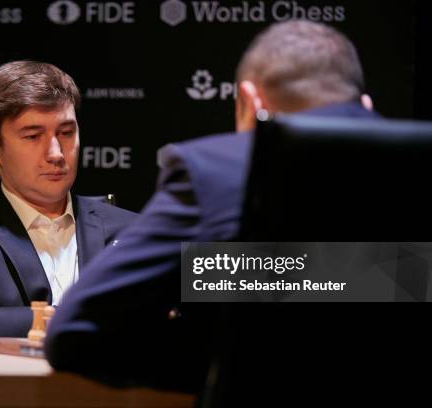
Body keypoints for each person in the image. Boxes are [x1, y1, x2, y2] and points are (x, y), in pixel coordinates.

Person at [45, 21, 381, 395]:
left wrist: (215, 358)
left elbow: (76, 331)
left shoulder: (213, 168)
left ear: (250, 102)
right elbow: (392, 278)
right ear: (365, 105)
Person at [0, 61, 136, 345]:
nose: (56, 153)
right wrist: (103, 315)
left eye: (66, 133)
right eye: (33, 136)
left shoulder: (137, 228)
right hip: (3, 388)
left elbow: (207, 302)